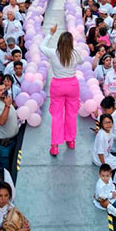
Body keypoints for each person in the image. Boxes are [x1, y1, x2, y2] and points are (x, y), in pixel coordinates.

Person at [40, 24, 84, 156]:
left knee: (57, 116)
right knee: (72, 114)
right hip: (72, 86)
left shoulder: (53, 53)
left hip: (57, 86)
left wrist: (50, 34)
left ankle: (55, 146)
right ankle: (71, 140)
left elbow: (41, 46)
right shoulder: (75, 54)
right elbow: (81, 61)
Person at [0, 82, 19, 173]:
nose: (3, 92)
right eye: (0, 90)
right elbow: (2, 121)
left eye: (4, 89)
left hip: (13, 140)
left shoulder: (7, 100)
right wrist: (7, 106)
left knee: (14, 168)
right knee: (5, 171)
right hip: (3, 145)